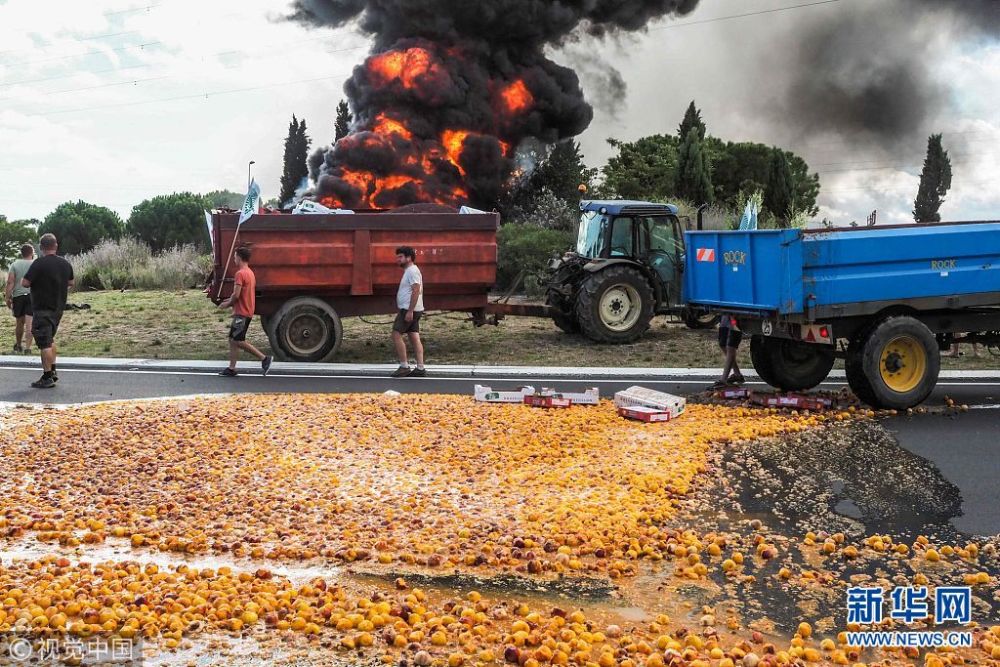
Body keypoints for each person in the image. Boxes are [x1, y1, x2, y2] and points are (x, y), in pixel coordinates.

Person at [21, 234, 73, 389]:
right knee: (50, 340)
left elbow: (25, 283)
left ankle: (47, 376)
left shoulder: (39, 264)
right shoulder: (65, 263)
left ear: (41, 247)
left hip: (42, 308)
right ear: (55, 246)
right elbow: (71, 282)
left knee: (44, 343)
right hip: (58, 308)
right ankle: (53, 369)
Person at [217, 246, 272, 377]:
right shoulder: (250, 273)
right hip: (246, 310)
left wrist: (227, 304)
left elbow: (236, 295)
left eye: (234, 256)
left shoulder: (240, 274)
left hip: (242, 312)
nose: (233, 259)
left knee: (238, 340)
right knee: (232, 339)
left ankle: (264, 359)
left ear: (240, 258)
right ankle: (231, 368)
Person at [391, 246, 426, 378]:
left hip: (409, 309)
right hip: (413, 309)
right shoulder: (410, 271)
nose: (397, 260)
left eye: (400, 257)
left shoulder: (412, 271)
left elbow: (416, 290)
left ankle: (404, 366)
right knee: (414, 336)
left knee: (396, 334)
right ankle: (420, 367)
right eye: (397, 257)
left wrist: (410, 311)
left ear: (409, 258)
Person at [5, 243, 35, 354]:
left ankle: (18, 345)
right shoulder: (35, 264)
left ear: (21, 253)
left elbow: (10, 282)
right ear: (32, 253)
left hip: (18, 296)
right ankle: (28, 348)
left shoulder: (15, 264)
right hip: (32, 296)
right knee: (30, 323)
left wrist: (7, 297)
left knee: (19, 322)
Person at [712, 313, 745, 389]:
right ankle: (737, 374)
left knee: (730, 347)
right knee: (723, 344)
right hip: (725, 317)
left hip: (735, 318)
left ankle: (723, 380)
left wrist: (734, 321)